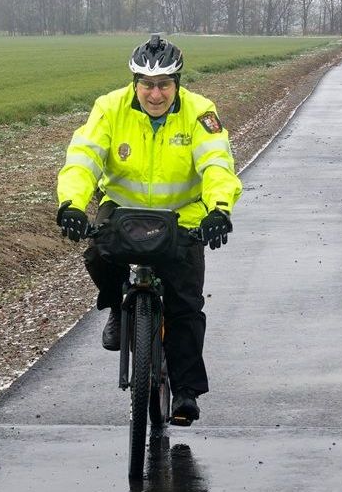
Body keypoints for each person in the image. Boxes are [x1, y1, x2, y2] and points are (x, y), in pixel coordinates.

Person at [55, 34, 242, 426]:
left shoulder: (199, 112)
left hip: (182, 216)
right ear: (134, 82)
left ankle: (185, 393)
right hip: (123, 210)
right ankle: (116, 308)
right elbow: (84, 159)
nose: (155, 94)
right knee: (96, 252)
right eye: (147, 84)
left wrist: (219, 209)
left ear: (177, 83)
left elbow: (216, 166)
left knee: (185, 304)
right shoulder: (109, 109)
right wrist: (71, 202)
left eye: (164, 85)